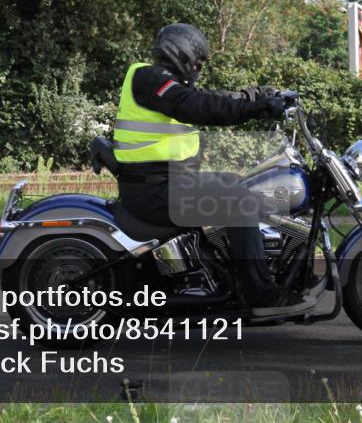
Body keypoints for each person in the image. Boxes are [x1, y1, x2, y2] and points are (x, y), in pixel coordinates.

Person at [111, 23, 305, 312]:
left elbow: (213, 98)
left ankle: (225, 271)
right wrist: (256, 109)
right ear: (182, 53)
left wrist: (258, 96)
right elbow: (196, 105)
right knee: (239, 200)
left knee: (237, 184)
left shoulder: (166, 83)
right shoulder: (150, 77)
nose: (199, 66)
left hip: (165, 183)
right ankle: (259, 293)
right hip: (154, 189)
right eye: (198, 60)